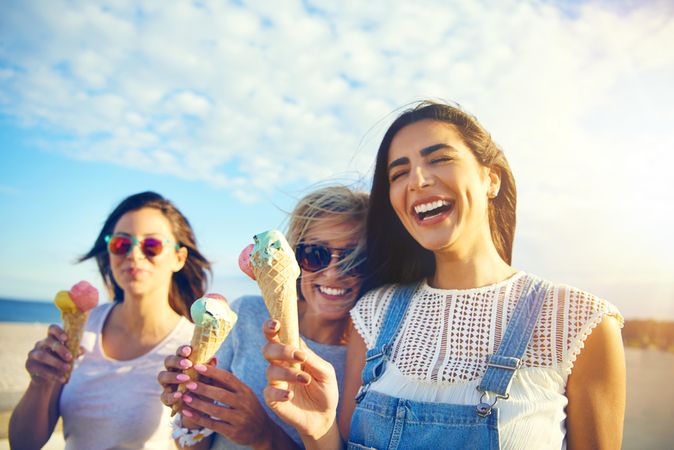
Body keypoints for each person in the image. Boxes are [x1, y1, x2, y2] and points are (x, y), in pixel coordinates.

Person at [261, 101, 626, 449]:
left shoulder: (579, 323)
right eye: (399, 173)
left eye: (439, 159)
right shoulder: (372, 315)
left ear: (491, 178)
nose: (417, 180)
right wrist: (318, 429)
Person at [158, 185, 369, 449]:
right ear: (294, 259)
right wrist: (192, 404)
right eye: (316, 255)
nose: (333, 273)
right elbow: (192, 446)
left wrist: (264, 435)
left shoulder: (372, 358)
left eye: (355, 258)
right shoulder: (246, 314)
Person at [9, 191, 211, 450]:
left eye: (152, 245)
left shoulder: (192, 349)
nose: (134, 255)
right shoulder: (81, 329)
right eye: (121, 244)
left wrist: (194, 409)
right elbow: (23, 444)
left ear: (178, 258)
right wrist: (40, 383)